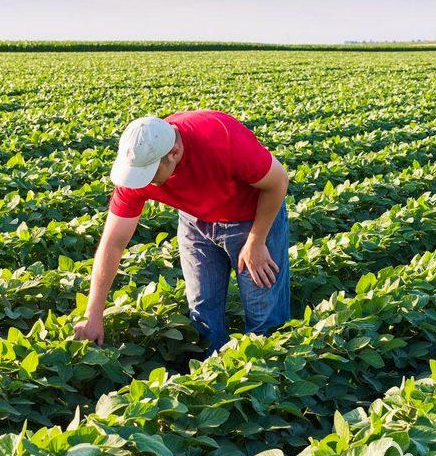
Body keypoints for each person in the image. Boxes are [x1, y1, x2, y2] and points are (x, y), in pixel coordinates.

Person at [72, 110, 291, 357]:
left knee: (264, 314)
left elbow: (278, 182)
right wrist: (93, 313)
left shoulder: (219, 138)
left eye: (150, 174)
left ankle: (268, 379)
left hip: (251, 217)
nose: (142, 183)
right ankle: (214, 380)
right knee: (202, 312)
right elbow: (112, 243)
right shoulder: (138, 168)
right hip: (195, 222)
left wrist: (256, 241)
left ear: (174, 153)